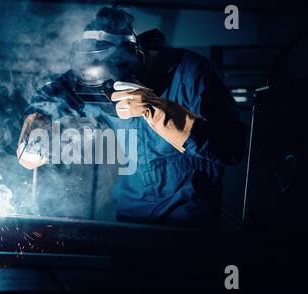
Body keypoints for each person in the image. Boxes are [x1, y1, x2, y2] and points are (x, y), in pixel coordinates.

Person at [17, 6, 247, 228]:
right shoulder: (90, 73)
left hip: (189, 220)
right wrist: (36, 124)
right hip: (132, 216)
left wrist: (160, 111)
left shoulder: (191, 72)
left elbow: (233, 147)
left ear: (132, 58)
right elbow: (53, 94)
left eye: (108, 87)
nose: (103, 97)